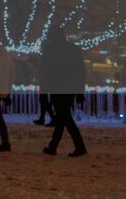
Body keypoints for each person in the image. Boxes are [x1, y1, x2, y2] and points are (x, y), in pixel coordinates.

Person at [42, 28, 87, 156]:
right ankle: (55, 146)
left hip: (57, 88)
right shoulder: (73, 50)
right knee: (63, 117)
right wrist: (79, 92)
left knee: (64, 117)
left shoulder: (50, 50)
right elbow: (80, 72)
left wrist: (44, 92)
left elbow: (45, 73)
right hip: (69, 88)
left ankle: (77, 146)